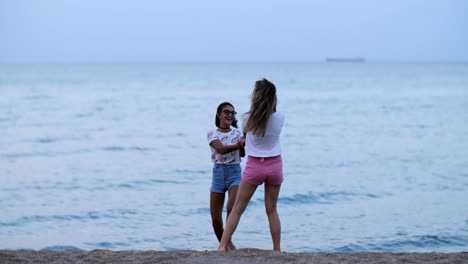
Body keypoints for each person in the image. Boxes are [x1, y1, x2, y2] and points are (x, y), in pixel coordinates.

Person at [218, 78, 285, 252]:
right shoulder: (280, 117)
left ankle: (222, 246)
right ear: (273, 98)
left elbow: (247, 139)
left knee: (238, 209)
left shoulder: (247, 118)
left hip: (255, 166)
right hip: (275, 165)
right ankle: (277, 250)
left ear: (256, 97)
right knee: (272, 210)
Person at [207, 102, 245, 251]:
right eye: (227, 112)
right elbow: (221, 149)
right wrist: (238, 146)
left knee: (231, 208)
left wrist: (242, 147)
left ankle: (225, 244)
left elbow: (242, 154)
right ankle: (227, 245)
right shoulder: (212, 133)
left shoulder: (237, 133)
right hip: (218, 173)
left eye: (232, 113)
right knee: (216, 219)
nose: (230, 115)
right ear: (219, 115)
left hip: (234, 172)